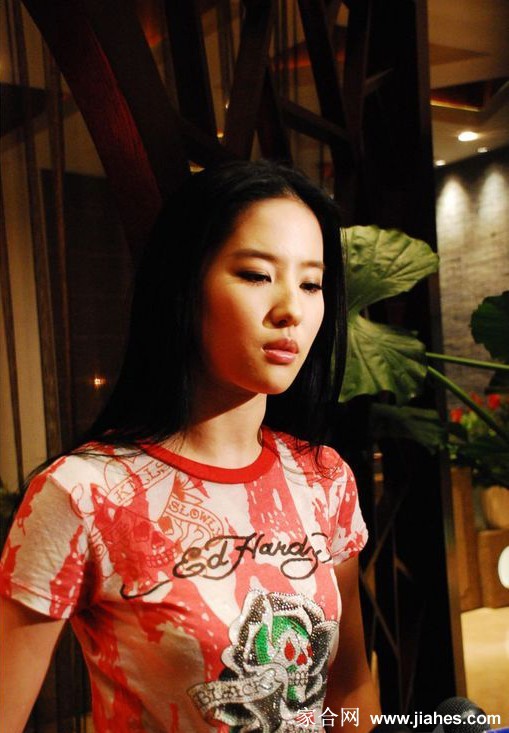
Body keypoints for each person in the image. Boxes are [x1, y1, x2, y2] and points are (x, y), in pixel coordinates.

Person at [0, 160, 380, 733]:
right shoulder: (84, 494)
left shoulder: (322, 479)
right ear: (183, 284)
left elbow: (349, 687)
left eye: (311, 283)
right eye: (256, 275)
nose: (292, 310)